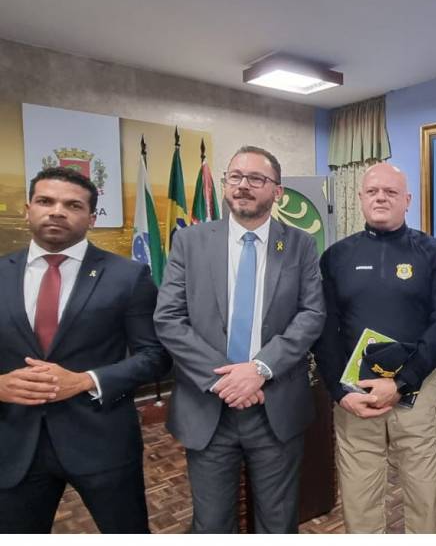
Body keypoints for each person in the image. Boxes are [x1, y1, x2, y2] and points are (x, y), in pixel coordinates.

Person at [154, 145, 325, 533]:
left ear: (277, 191)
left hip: (274, 408)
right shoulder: (189, 241)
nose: (243, 186)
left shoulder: (300, 245)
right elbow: (168, 318)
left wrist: (261, 369)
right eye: (235, 177)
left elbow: (311, 314)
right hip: (207, 408)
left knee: (278, 524)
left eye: (256, 179)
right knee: (212, 525)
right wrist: (228, 380)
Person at [0, 167, 171, 533]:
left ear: (91, 218)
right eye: (46, 201)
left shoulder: (128, 276)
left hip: (102, 442)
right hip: (15, 446)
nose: (57, 210)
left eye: (72, 204)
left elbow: (156, 356)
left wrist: (86, 380)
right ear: (28, 208)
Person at [315, 162, 436, 533]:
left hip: (417, 391)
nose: (381, 197)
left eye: (391, 192)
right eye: (373, 191)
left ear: (407, 200)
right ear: (361, 198)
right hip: (355, 395)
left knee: (426, 499)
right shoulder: (335, 257)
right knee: (359, 504)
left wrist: (403, 382)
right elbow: (324, 329)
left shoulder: (434, 253)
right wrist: (337, 390)